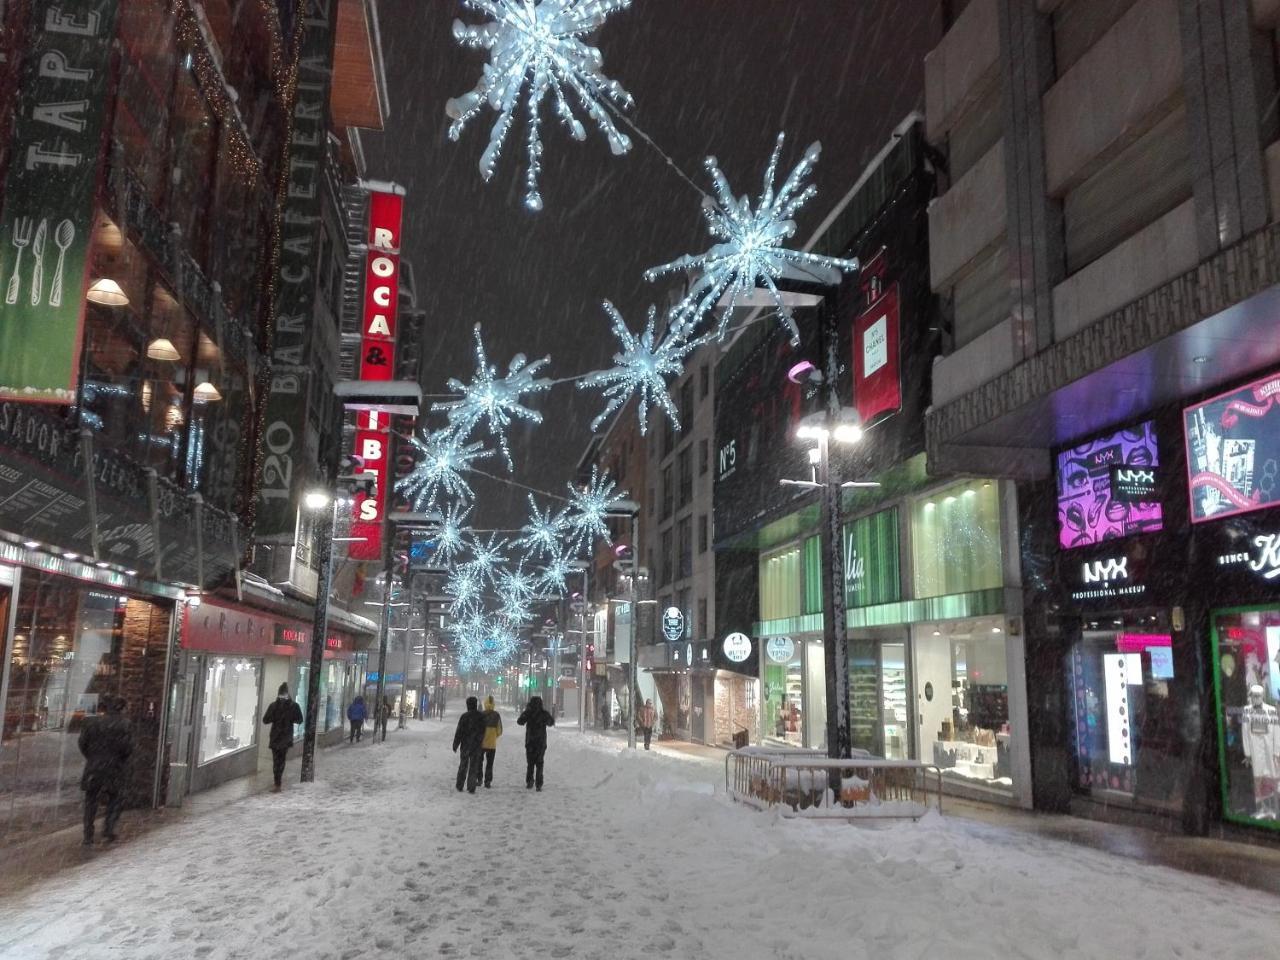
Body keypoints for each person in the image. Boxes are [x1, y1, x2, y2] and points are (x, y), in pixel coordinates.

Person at [78, 695, 134, 845]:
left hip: (94, 766)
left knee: (91, 800)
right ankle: (108, 829)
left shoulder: (91, 722)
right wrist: (118, 759)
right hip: (114, 767)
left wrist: (93, 757)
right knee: (115, 798)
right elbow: (127, 748)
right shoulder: (124, 724)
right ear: (121, 708)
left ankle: (88, 834)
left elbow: (82, 744)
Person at [262, 683, 304, 792]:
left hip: (276, 737)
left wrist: (276, 717)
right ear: (288, 694)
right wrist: (289, 719)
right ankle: (278, 782)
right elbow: (299, 719)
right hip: (286, 737)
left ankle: (277, 782)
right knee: (281, 760)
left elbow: (265, 720)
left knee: (276, 761)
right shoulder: (294, 706)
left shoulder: (273, 706)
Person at [517, 695, 555, 791]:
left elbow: (520, 721)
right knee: (539, 763)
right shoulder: (543, 714)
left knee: (530, 763)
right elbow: (551, 722)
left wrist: (526, 711)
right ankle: (539, 783)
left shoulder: (528, 713)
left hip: (530, 742)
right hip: (541, 743)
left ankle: (529, 781)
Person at [452, 696, 486, 793]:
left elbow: (459, 732)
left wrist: (455, 744)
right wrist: (480, 740)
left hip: (466, 745)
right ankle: (471, 786)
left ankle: (460, 784)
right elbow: (483, 731)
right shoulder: (481, 717)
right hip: (476, 745)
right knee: (473, 766)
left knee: (463, 765)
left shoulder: (464, 717)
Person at [480, 695, 503, 788]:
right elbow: (500, 730)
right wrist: (493, 736)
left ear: (485, 704)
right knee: (490, 763)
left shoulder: (481, 715)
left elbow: (477, 729)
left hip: (481, 743)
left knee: (479, 761)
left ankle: (479, 778)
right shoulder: (496, 715)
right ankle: (488, 781)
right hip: (492, 744)